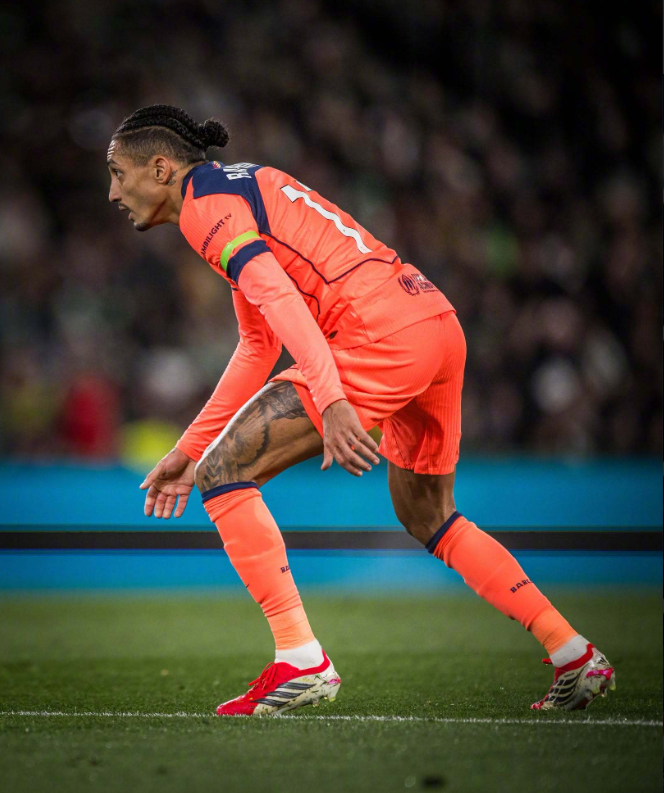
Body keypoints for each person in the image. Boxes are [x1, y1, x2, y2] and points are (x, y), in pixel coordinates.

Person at [107, 105, 615, 716]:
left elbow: (280, 297)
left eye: (118, 173)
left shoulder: (204, 210)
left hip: (377, 336)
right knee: (428, 515)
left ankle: (301, 660)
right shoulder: (237, 187)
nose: (113, 192)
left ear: (161, 169)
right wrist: (189, 448)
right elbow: (258, 344)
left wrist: (330, 399)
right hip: (432, 319)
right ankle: (572, 652)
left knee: (225, 473)